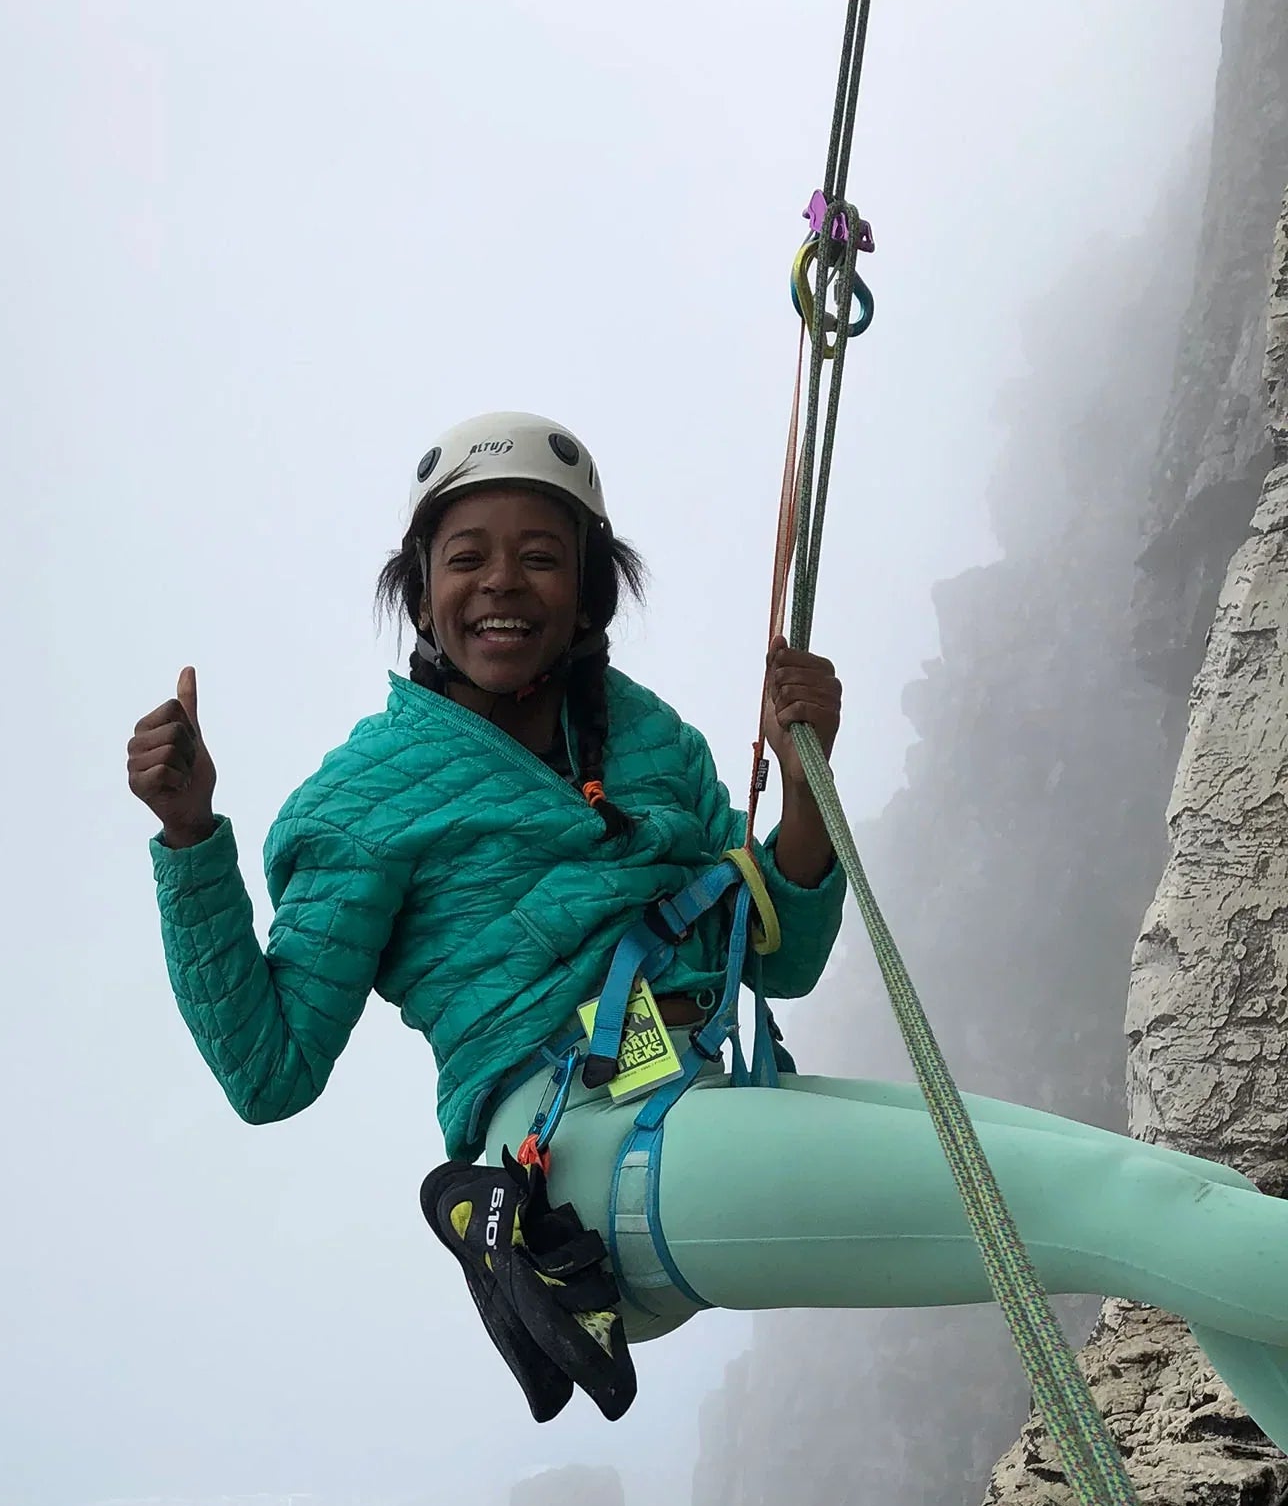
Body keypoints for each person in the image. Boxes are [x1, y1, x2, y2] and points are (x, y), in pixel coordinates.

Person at [129, 410, 1288, 1444]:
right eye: (465, 558)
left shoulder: (645, 743)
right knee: (1129, 1213)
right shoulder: (362, 800)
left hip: (709, 1103)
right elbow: (269, 1069)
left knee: (1179, 1198)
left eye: (540, 557)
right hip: (582, 1160)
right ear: (419, 588)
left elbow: (777, 957)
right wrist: (189, 840)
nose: (500, 584)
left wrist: (800, 791)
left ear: (586, 590)